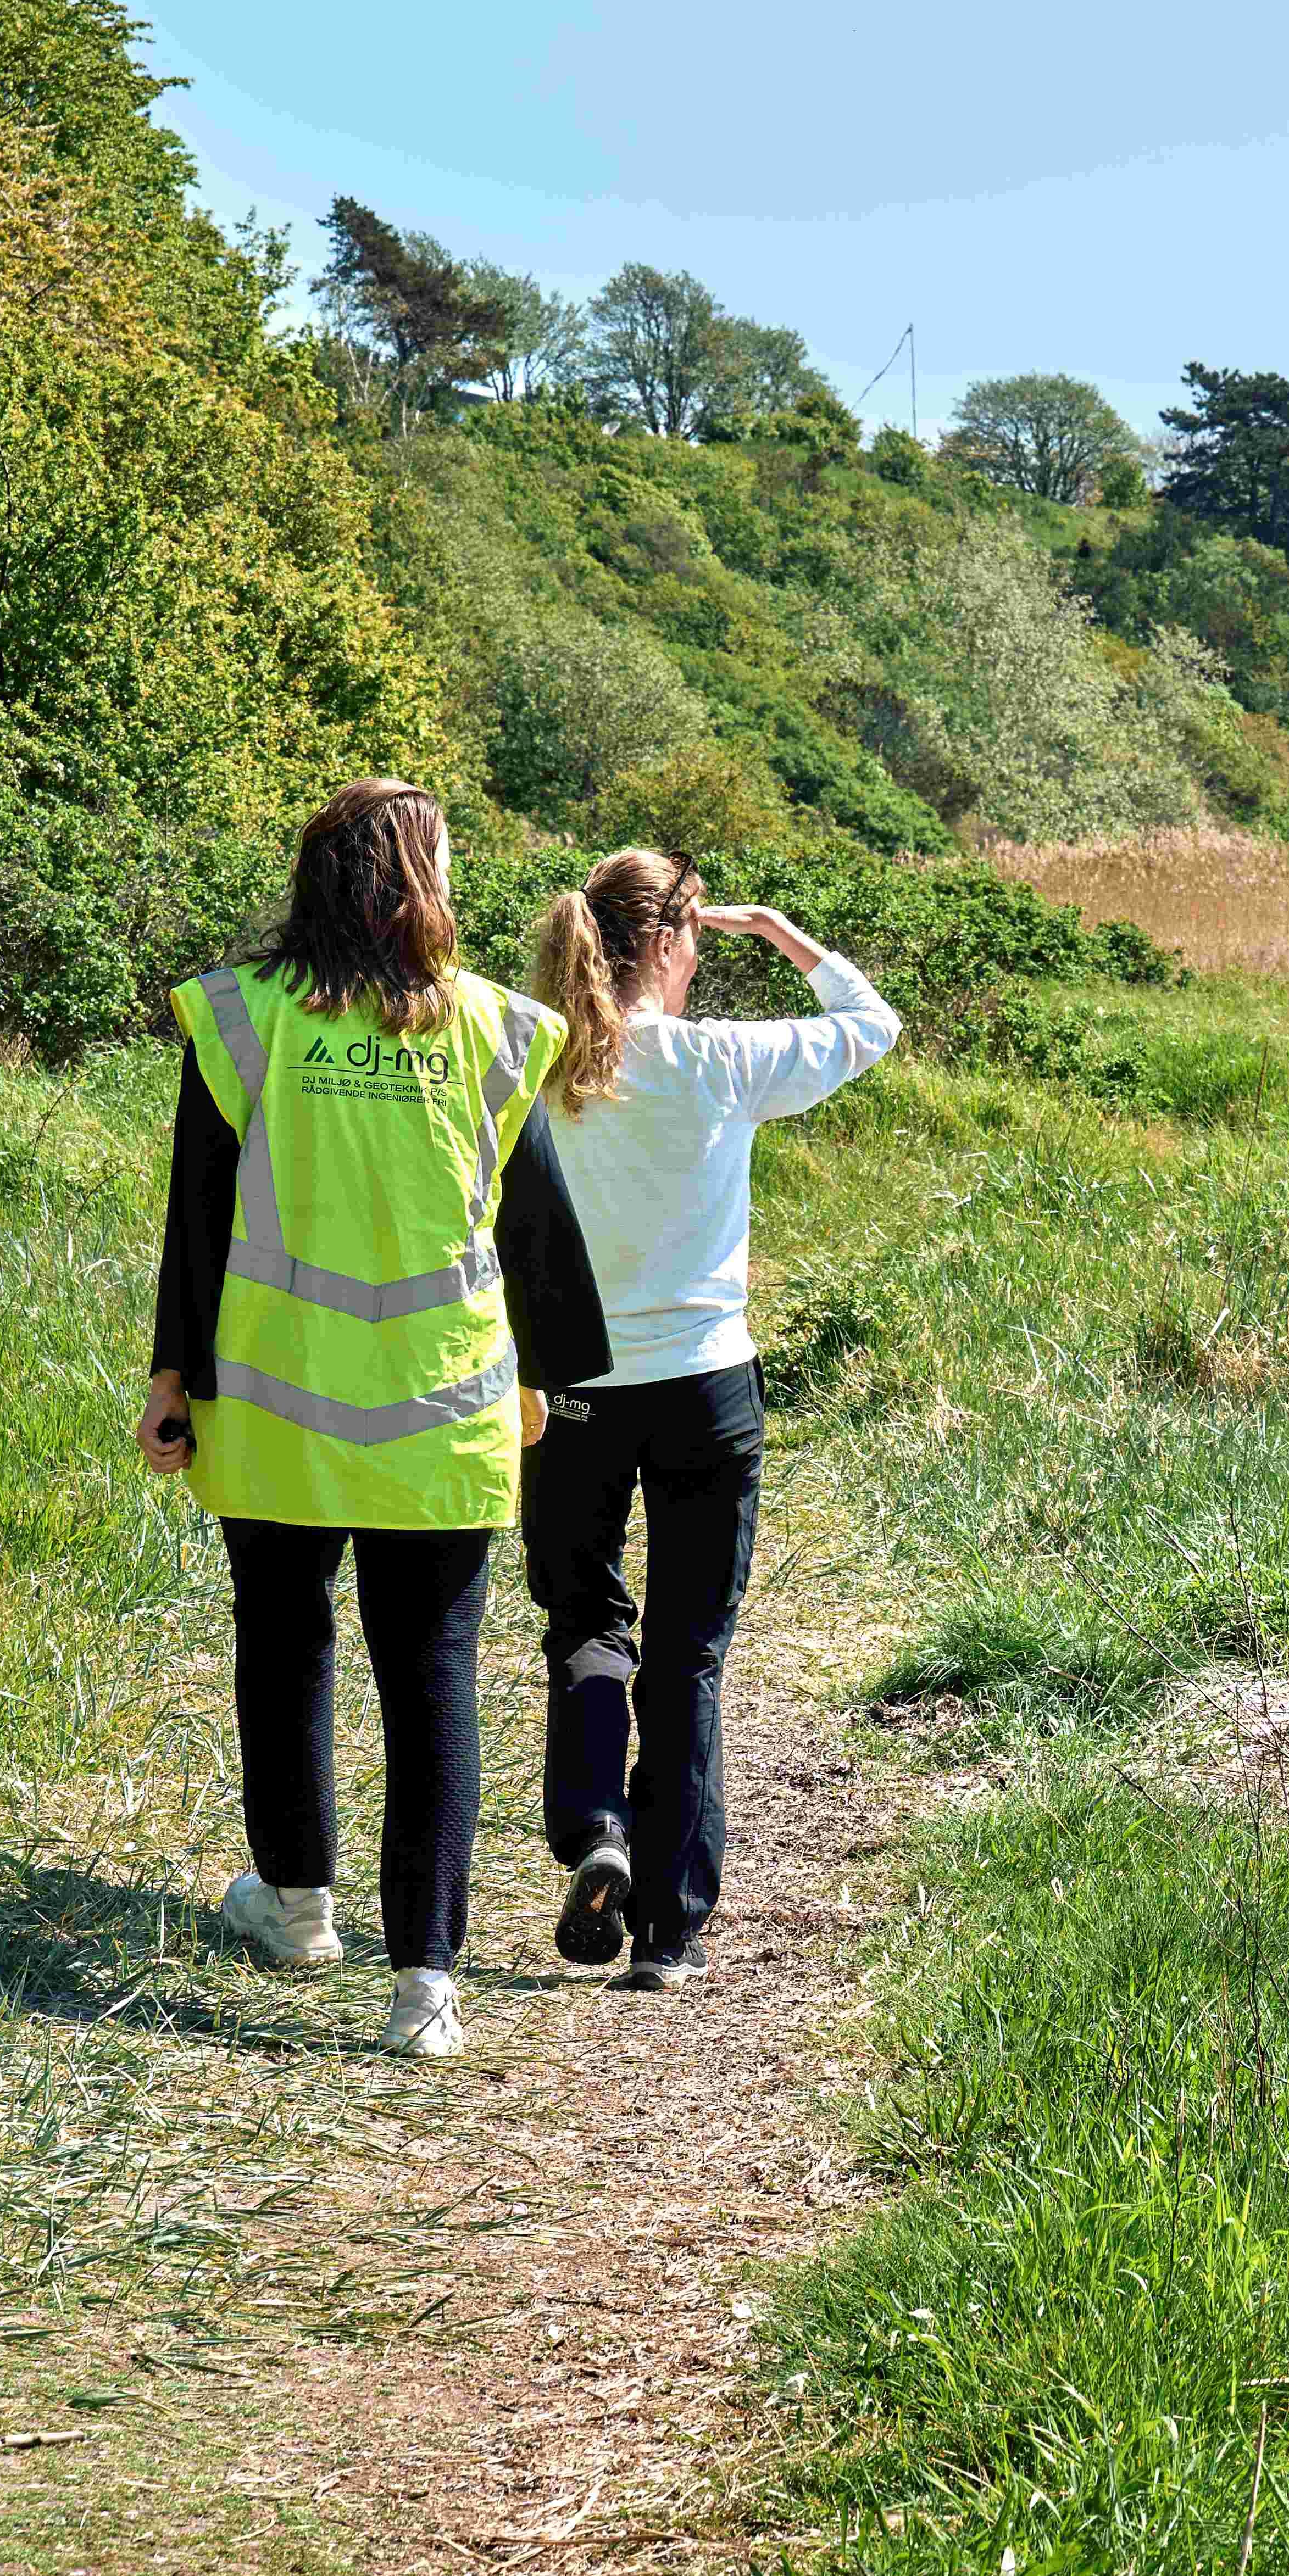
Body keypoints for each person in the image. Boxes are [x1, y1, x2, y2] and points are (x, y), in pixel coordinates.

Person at [140, 779, 615, 2059]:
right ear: (417, 879)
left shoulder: (243, 1018)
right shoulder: (490, 1031)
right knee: (431, 1678)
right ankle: (426, 1993)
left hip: (278, 1408)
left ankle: (297, 1907)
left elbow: (197, 1213)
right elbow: (538, 1235)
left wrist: (172, 1378)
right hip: (438, 1417)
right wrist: (564, 1391)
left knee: (283, 1645)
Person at [515, 852, 900, 1988]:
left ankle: (595, 1828)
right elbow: (869, 1021)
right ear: (677, 946)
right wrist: (783, 932)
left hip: (576, 1388)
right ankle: (670, 1931)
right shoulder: (722, 1061)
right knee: (685, 1655)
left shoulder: (540, 1058)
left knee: (585, 1618)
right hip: (705, 1392)